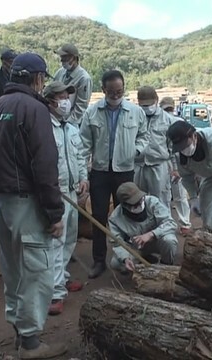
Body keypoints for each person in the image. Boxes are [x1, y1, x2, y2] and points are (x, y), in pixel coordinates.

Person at [0, 53, 67, 359]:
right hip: (26, 203)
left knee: (14, 270)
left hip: (1, 203)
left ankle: (20, 333)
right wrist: (55, 212)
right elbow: (45, 164)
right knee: (35, 272)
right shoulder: (34, 108)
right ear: (38, 79)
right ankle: (31, 344)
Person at [79, 70, 148, 279]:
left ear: (124, 88)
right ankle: (99, 260)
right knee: (99, 216)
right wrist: (83, 173)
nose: (116, 95)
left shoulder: (135, 112)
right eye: (112, 92)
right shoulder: (92, 113)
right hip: (99, 171)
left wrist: (136, 151)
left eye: (120, 91)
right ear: (104, 90)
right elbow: (83, 146)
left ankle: (125, 257)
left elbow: (144, 137)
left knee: (126, 215)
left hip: (124, 171)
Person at [41, 81, 89, 316]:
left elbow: (79, 155)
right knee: (55, 243)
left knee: (69, 238)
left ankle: (63, 278)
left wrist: (83, 178)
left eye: (67, 97)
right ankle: (55, 292)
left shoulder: (70, 128)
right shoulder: (43, 128)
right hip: (56, 193)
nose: (65, 101)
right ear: (49, 101)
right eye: (60, 97)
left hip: (72, 190)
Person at [108, 182, 178, 273]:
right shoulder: (115, 218)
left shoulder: (153, 202)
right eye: (135, 203)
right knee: (116, 263)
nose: (140, 203)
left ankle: (166, 266)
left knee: (169, 241)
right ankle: (140, 261)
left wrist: (151, 234)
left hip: (156, 241)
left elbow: (170, 223)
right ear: (124, 205)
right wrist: (125, 258)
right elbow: (117, 243)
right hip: (135, 247)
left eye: (140, 199)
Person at [134, 86, 176, 208]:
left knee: (161, 201)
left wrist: (175, 168)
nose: (147, 108)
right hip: (138, 165)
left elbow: (172, 146)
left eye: (149, 104)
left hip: (159, 165)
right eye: (144, 105)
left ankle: (164, 226)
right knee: (137, 201)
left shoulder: (168, 120)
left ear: (156, 100)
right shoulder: (134, 117)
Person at [159, 97, 192, 234]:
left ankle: (167, 224)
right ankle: (184, 224)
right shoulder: (181, 121)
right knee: (179, 195)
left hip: (168, 162)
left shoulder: (160, 121)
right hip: (178, 161)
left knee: (165, 195)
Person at [52, 44, 93, 127]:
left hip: (72, 124)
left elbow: (81, 107)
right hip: (56, 118)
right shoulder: (60, 72)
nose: (62, 60)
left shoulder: (84, 78)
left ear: (74, 58)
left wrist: (68, 123)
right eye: (61, 57)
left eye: (65, 58)